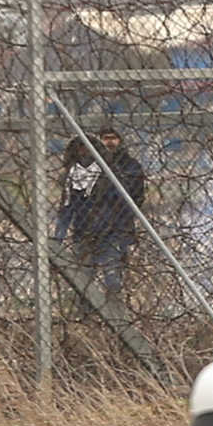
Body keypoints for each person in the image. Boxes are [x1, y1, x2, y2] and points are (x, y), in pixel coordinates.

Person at [57, 126, 146, 306]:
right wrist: (58, 236)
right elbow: (67, 207)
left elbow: (128, 200)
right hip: (84, 233)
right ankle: (86, 317)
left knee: (112, 279)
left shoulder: (115, 171)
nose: (84, 152)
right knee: (83, 282)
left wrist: (123, 229)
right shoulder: (72, 175)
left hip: (111, 232)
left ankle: (115, 317)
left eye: (114, 137)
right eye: (106, 138)